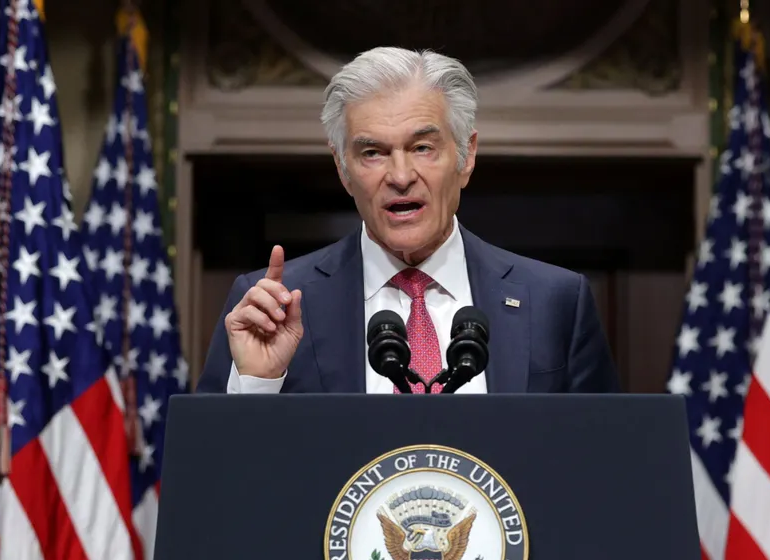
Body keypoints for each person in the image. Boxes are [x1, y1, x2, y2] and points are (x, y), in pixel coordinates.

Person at [195, 47, 620, 395]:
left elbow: (601, 469)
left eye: (422, 148)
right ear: (343, 168)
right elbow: (211, 484)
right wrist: (256, 385)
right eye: (372, 153)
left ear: (466, 156)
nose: (400, 177)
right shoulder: (272, 307)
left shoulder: (556, 302)